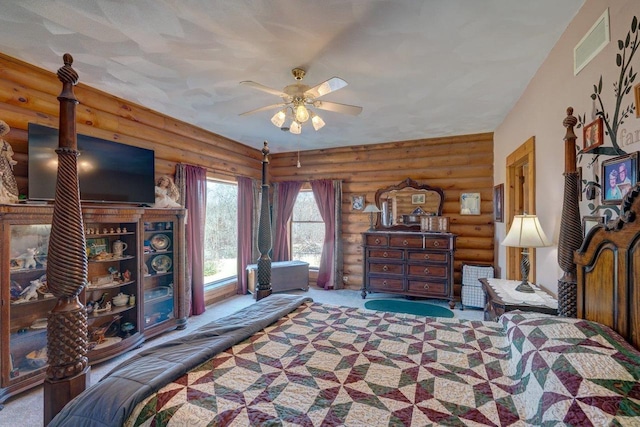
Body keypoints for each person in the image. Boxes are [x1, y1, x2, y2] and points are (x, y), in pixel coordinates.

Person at [0, 120, 19, 204]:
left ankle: (6, 199)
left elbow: (7, 154)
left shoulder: (5, 143)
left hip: (3, 164)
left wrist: (11, 161)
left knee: (7, 180)